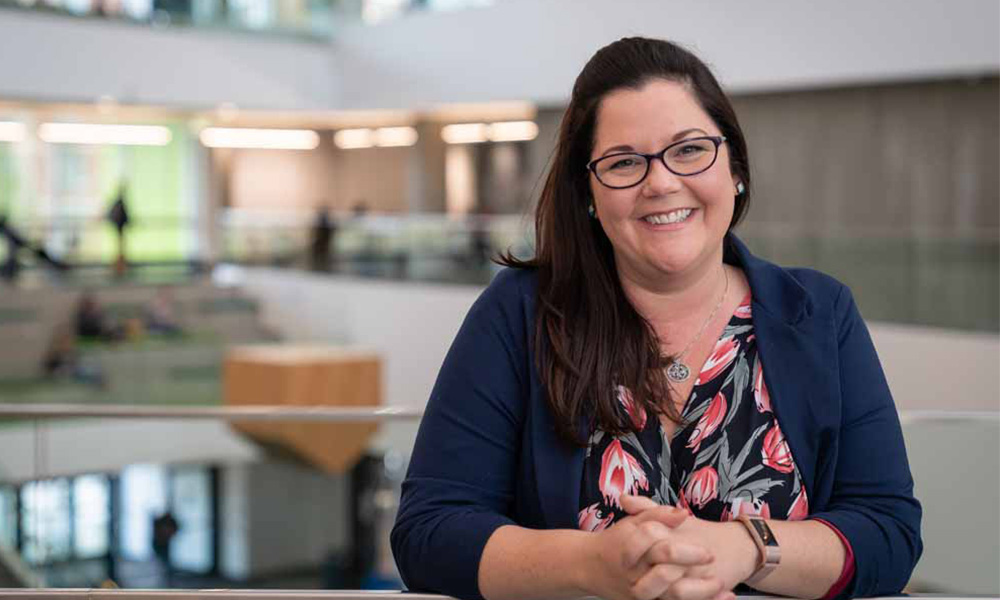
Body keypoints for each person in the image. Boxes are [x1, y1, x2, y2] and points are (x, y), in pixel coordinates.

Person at [391, 37, 921, 600]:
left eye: (690, 150)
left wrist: (744, 547)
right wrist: (590, 563)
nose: (662, 182)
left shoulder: (819, 313)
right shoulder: (519, 313)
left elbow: (888, 533)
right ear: (589, 194)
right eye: (624, 163)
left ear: (734, 165)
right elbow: (429, 532)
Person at [107, 183, 130, 277]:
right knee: (119, 250)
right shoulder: (119, 202)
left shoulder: (118, 202)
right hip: (119, 230)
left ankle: (119, 268)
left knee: (120, 250)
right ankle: (118, 269)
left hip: (120, 230)